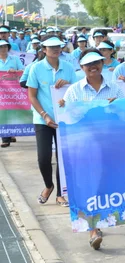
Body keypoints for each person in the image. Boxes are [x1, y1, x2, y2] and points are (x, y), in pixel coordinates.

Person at [61, 49, 125, 249]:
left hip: (109, 145)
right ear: (82, 68)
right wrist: (66, 107)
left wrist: (116, 107)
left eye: (96, 62)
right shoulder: (73, 91)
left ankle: (100, 220)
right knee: (89, 185)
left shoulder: (115, 89)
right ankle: (93, 230)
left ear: (102, 64)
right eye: (88, 64)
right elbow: (70, 118)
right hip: (85, 146)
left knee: (105, 186)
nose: (93, 67)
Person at [26, 35, 77, 207]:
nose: (56, 49)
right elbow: (31, 96)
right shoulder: (36, 68)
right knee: (43, 157)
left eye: (58, 46)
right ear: (44, 49)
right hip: (42, 119)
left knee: (62, 158)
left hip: (64, 119)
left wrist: (68, 83)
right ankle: (49, 185)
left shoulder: (69, 68)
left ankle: (60, 194)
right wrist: (44, 115)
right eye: (51, 46)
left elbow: (76, 92)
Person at [0, 39, 25, 148]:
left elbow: (22, 71)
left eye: (5, 46)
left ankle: (10, 133)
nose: (3, 49)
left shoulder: (14, 59)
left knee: (12, 112)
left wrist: (15, 71)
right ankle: (5, 138)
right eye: (1, 47)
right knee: (3, 113)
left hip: (14, 90)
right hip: (1, 91)